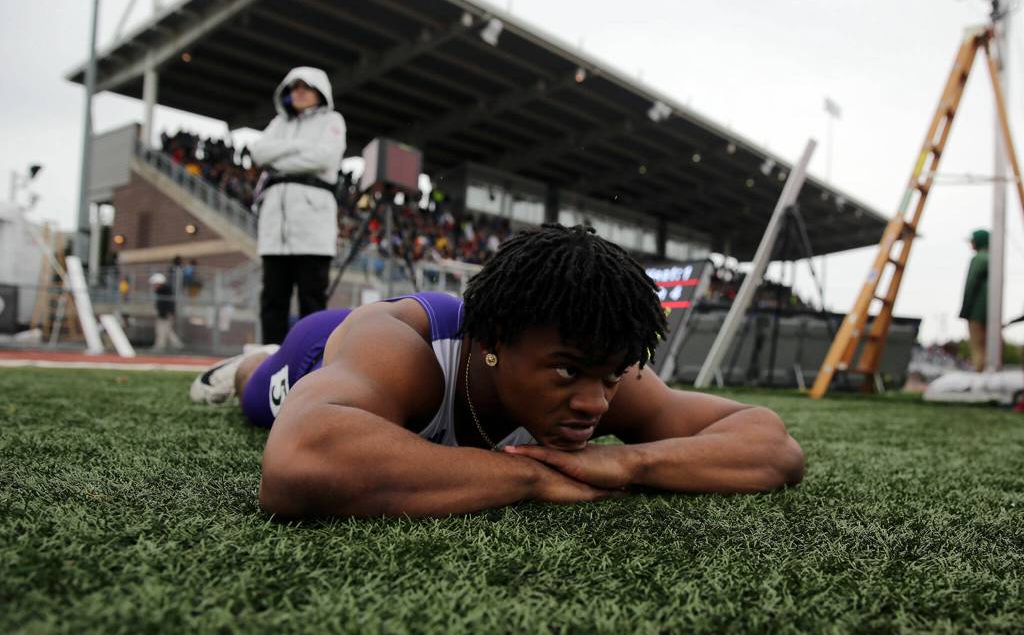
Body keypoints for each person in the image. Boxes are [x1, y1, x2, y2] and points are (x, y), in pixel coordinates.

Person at [189, 225, 805, 518]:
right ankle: (244, 363)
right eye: (567, 374)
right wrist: (531, 480)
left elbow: (772, 445)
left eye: (612, 377)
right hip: (323, 347)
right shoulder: (406, 352)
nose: (595, 403)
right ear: (493, 344)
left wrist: (630, 462)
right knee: (257, 393)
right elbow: (298, 463)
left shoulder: (595, 366)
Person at [249, 66, 346, 344]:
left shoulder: (332, 120)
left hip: (312, 226)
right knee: (272, 299)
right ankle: (269, 360)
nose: (299, 92)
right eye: (294, 87)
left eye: (305, 86)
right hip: (275, 228)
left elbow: (324, 158)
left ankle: (311, 362)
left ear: (319, 91)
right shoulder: (279, 124)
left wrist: (278, 156)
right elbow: (258, 152)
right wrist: (300, 147)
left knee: (312, 300)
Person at [959, 228, 990, 372]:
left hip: (976, 312)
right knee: (989, 345)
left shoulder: (979, 259)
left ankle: (980, 375)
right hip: (991, 312)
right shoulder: (993, 258)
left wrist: (965, 310)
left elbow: (971, 285)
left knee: (978, 347)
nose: (971, 244)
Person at [150, 272, 184, 352]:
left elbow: (169, 304)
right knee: (167, 330)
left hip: (166, 314)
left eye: (155, 283)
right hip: (163, 314)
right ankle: (177, 345)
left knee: (161, 330)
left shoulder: (166, 291)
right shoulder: (161, 291)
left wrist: (170, 313)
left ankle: (160, 346)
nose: (154, 285)